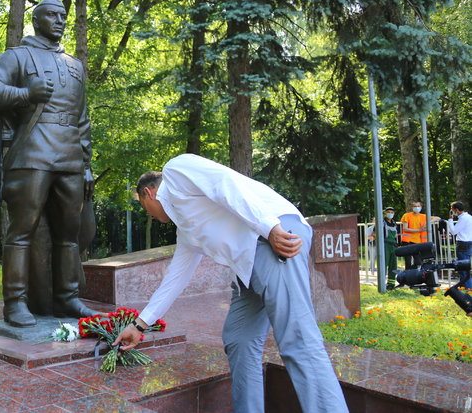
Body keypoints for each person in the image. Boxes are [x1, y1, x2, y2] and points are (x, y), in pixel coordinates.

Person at [114, 154, 348, 413]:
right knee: (239, 338)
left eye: (145, 208)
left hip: (272, 237)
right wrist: (139, 324)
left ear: (149, 193)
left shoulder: (176, 171)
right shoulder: (186, 230)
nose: (150, 216)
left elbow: (225, 184)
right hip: (247, 267)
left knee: (298, 339)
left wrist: (270, 227)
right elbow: (175, 279)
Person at [0, 0, 95, 327]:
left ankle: (67, 299)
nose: (60, 21)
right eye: (53, 15)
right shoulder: (17, 57)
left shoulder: (75, 66)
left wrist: (85, 164)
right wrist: (25, 94)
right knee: (21, 232)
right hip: (33, 154)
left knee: (69, 236)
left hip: (70, 157)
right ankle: (15, 302)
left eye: (64, 17)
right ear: (37, 19)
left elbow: (82, 118)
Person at [366, 207, 399, 290]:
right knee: (383, 265)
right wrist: (379, 240)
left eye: (392, 212)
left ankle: (391, 284)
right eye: (388, 212)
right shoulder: (381, 222)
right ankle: (382, 284)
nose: (390, 213)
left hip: (393, 246)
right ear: (385, 213)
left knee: (393, 266)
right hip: (385, 245)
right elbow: (374, 233)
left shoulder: (394, 223)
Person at [447, 201, 472, 289]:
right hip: (469, 243)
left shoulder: (463, 218)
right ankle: (466, 287)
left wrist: (450, 219)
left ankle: (468, 288)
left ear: (456, 210)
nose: (452, 211)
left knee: (463, 268)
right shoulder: (469, 217)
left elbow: (453, 231)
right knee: (466, 267)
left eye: (452, 210)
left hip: (463, 244)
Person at [399, 201, 428, 269]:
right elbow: (405, 229)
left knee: (418, 262)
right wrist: (419, 230)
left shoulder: (424, 216)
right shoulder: (407, 215)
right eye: (415, 206)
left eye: (418, 206)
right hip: (407, 241)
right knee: (408, 261)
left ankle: (414, 275)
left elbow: (438, 218)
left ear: (421, 207)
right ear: (412, 207)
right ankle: (407, 276)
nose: (417, 208)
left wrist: (428, 222)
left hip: (418, 242)